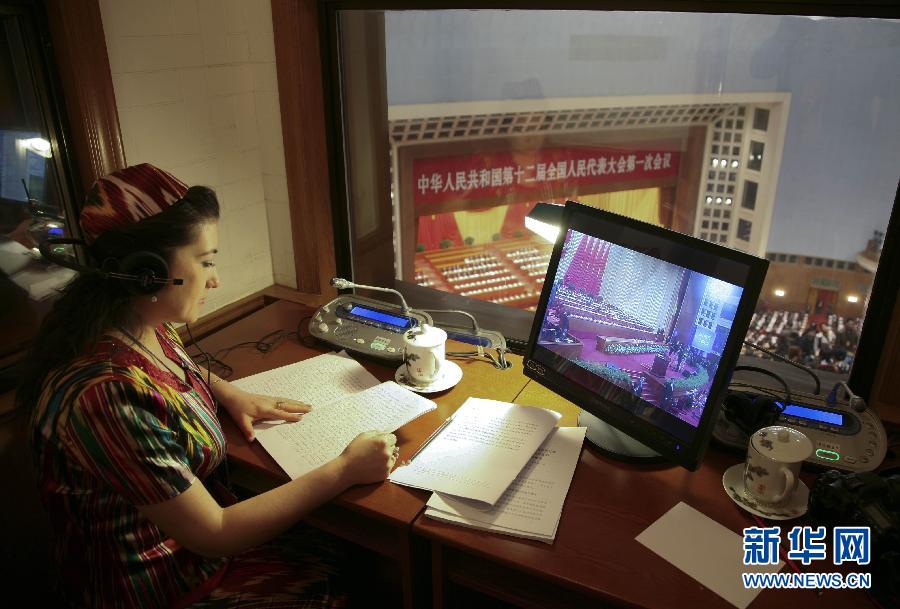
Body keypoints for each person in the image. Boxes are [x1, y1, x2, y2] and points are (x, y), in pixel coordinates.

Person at [18, 164, 398, 609]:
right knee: (350, 573)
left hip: (190, 557)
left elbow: (172, 370)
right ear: (148, 272)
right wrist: (344, 469)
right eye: (205, 261)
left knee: (355, 556)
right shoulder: (104, 395)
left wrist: (227, 391)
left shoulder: (144, 325)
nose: (214, 279)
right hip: (159, 586)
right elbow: (215, 533)